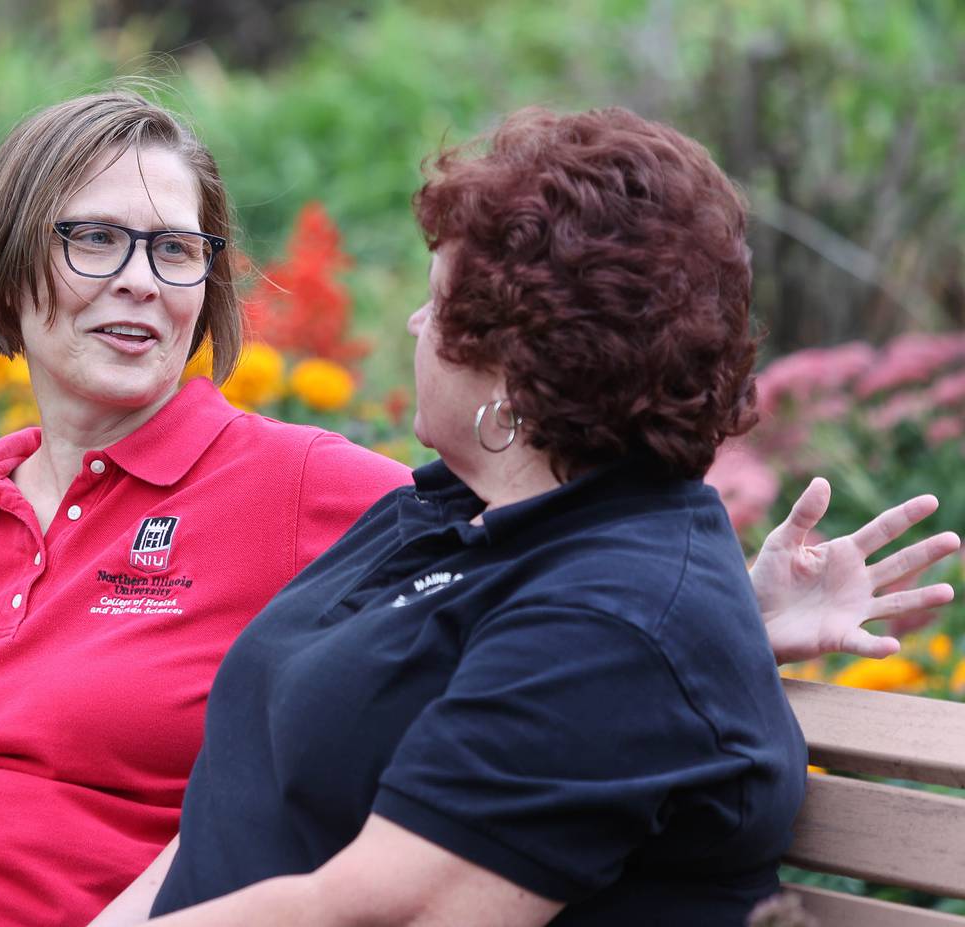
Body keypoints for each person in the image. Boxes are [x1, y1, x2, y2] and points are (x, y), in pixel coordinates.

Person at [0, 93, 957, 927]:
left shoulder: (317, 493)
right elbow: (512, 595)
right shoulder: (426, 521)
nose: (140, 282)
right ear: (12, 270)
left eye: (175, 249)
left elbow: (586, 608)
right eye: (96, 243)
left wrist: (731, 613)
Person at [90, 107, 959, 927]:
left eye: (435, 302)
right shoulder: (448, 516)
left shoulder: (614, 621)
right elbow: (234, 807)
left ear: (511, 373)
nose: (411, 320)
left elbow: (385, 912)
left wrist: (710, 633)